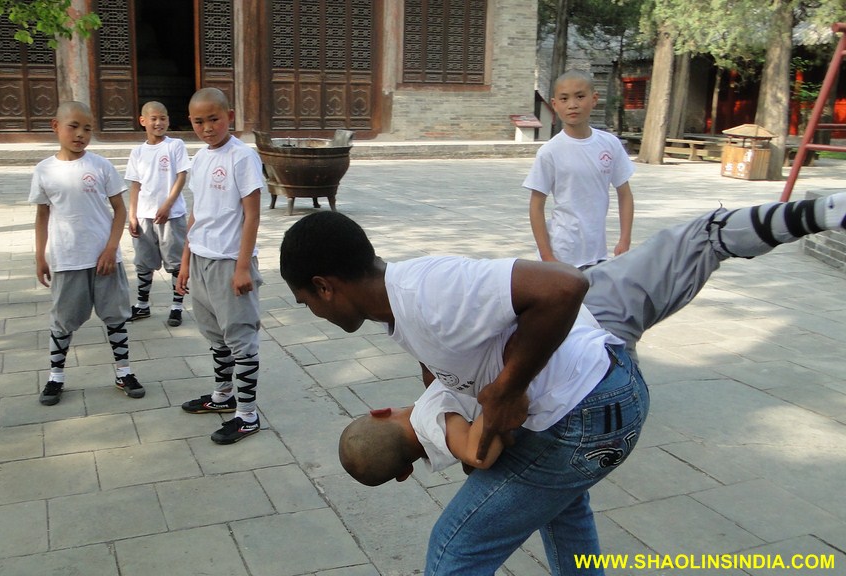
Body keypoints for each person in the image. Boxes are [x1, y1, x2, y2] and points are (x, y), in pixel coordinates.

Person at [280, 189, 846, 576]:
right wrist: (470, 389)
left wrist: (504, 390)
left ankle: (809, 213)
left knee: (453, 552)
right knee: (558, 506)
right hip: (600, 375)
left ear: (326, 286)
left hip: (585, 404)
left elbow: (562, 286)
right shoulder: (403, 313)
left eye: (304, 302)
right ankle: (786, 218)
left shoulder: (425, 292)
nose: (311, 312)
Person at [337, 192, 846, 491]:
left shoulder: (416, 307)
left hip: (582, 314)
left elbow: (555, 291)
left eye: (305, 300)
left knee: (702, 239)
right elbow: (473, 436)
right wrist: (496, 405)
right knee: (703, 236)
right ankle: (815, 212)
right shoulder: (419, 379)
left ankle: (820, 212)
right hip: (588, 327)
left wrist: (495, 395)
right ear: (381, 411)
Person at [30, 101, 144, 405]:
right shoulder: (44, 170)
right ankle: (56, 377)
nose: (81, 134)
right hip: (67, 258)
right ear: (56, 126)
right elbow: (42, 216)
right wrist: (40, 255)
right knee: (63, 320)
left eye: (87, 128)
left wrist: (111, 248)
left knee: (115, 316)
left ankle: (124, 371)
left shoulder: (101, 166)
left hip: (103, 259)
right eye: (73, 126)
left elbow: (119, 210)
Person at [176, 87, 265, 445]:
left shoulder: (241, 157)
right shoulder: (199, 158)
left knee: (241, 338)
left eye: (214, 118)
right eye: (199, 121)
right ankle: (223, 395)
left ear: (230, 115)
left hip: (230, 262)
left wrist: (243, 267)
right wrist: (185, 261)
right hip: (201, 258)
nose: (207, 127)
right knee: (215, 336)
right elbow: (197, 213)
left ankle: (247, 415)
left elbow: (252, 213)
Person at [525, 70, 635, 269]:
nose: (572, 105)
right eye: (564, 99)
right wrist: (547, 255)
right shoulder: (550, 151)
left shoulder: (609, 144)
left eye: (580, 96)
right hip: (563, 252)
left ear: (594, 99)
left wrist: (624, 239)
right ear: (555, 104)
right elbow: (536, 205)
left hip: (598, 252)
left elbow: (625, 194)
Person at [125, 101, 191, 327]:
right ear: (143, 121)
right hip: (144, 216)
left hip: (171, 216)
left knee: (176, 263)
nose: (158, 122)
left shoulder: (175, 146)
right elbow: (135, 184)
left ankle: (176, 306)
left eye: (163, 118)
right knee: (143, 263)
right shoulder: (138, 152)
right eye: (153, 118)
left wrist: (167, 204)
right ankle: (142, 305)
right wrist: (132, 215)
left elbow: (182, 176)